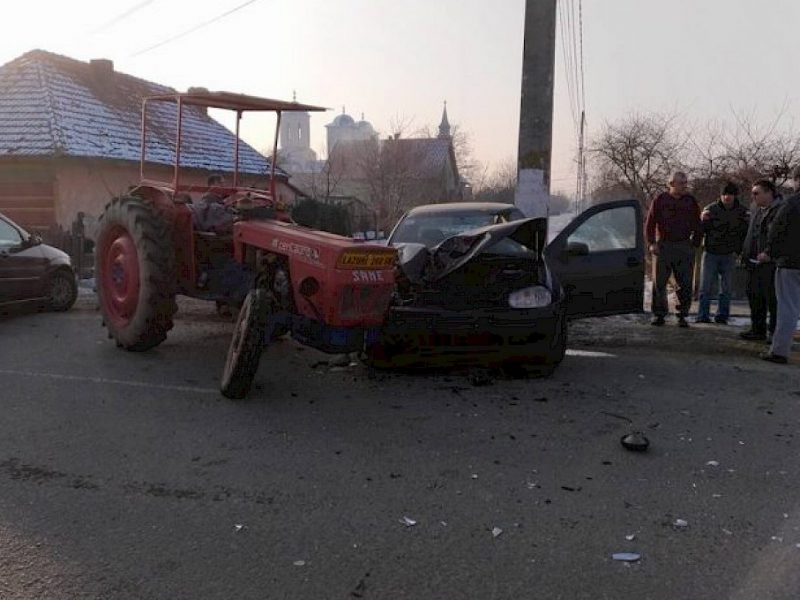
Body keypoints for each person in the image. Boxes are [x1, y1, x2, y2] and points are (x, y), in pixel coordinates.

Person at [645, 170, 702, 328]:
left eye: (685, 183)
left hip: (684, 246)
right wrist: (651, 243)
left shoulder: (690, 201)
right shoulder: (660, 200)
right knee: (659, 283)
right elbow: (650, 223)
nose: (684, 186)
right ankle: (659, 314)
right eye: (681, 183)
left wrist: (695, 244)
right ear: (671, 184)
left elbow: (698, 224)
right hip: (664, 245)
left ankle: (682, 315)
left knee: (685, 283)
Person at [759, 166, 800, 363]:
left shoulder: (792, 204)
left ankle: (780, 351)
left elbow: (777, 231)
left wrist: (769, 252)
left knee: (787, 308)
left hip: (790, 262)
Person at [695, 181, 750, 324]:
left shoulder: (742, 212)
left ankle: (722, 316)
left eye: (730, 194)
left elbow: (745, 233)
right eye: (724, 194)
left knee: (726, 288)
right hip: (711, 252)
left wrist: (740, 251)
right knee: (705, 287)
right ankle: (703, 315)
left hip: (729, 254)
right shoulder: (711, 209)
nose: (727, 197)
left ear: (735, 196)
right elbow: (701, 229)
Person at [739, 179, 784, 341]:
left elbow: (780, 236)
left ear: (768, 193)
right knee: (754, 296)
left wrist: (769, 253)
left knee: (772, 299)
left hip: (770, 262)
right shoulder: (756, 209)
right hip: (753, 261)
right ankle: (758, 329)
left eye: (756, 193)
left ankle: (774, 333)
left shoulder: (781, 210)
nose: (753, 196)